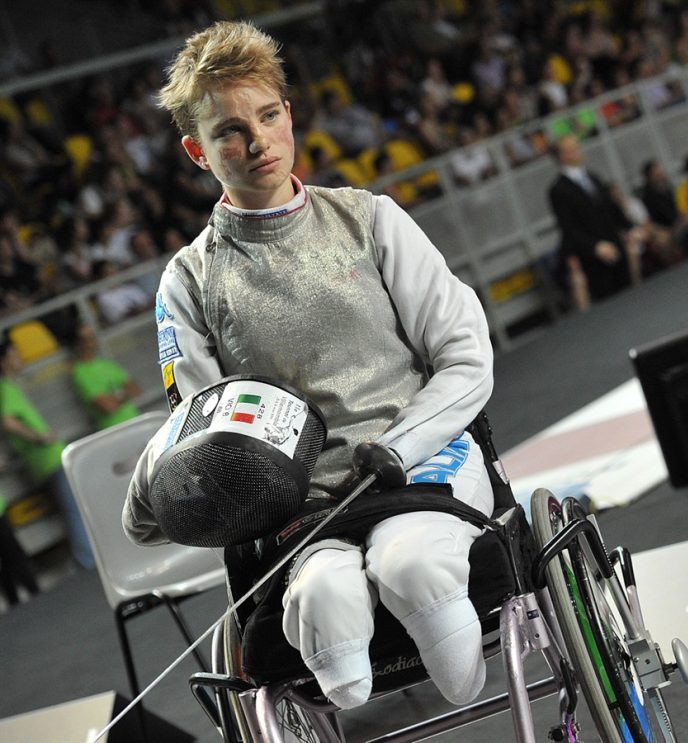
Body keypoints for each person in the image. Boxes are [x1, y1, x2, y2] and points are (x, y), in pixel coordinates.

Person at [122, 21, 495, 711]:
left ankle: (457, 674)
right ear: (196, 151)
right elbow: (207, 434)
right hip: (299, 514)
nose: (257, 141)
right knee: (326, 597)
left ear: (289, 115)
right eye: (229, 130)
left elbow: (466, 356)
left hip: (422, 466)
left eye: (268, 116)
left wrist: (400, 445)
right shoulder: (189, 280)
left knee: (411, 562)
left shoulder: (370, 220)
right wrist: (159, 484)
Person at [0, 338, 94, 569]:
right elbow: (8, 422)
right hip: (47, 458)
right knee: (74, 509)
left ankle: (87, 557)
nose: (20, 358)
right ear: (4, 362)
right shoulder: (4, 388)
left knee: (74, 507)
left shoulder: (10, 387)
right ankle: (86, 559)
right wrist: (39, 437)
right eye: (15, 355)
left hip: (48, 458)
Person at [547, 134, 642, 311]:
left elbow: (611, 208)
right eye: (572, 149)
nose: (578, 151)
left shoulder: (592, 177)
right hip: (592, 257)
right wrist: (595, 247)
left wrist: (630, 228)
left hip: (614, 244)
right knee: (610, 305)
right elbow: (569, 228)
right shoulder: (558, 190)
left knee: (631, 298)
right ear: (561, 156)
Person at [71, 324, 142, 430]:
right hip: (115, 430)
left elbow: (135, 389)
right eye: (87, 339)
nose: (92, 342)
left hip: (136, 421)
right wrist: (123, 394)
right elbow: (108, 406)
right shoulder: (80, 372)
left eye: (92, 337)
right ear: (78, 344)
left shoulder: (106, 363)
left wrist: (115, 397)